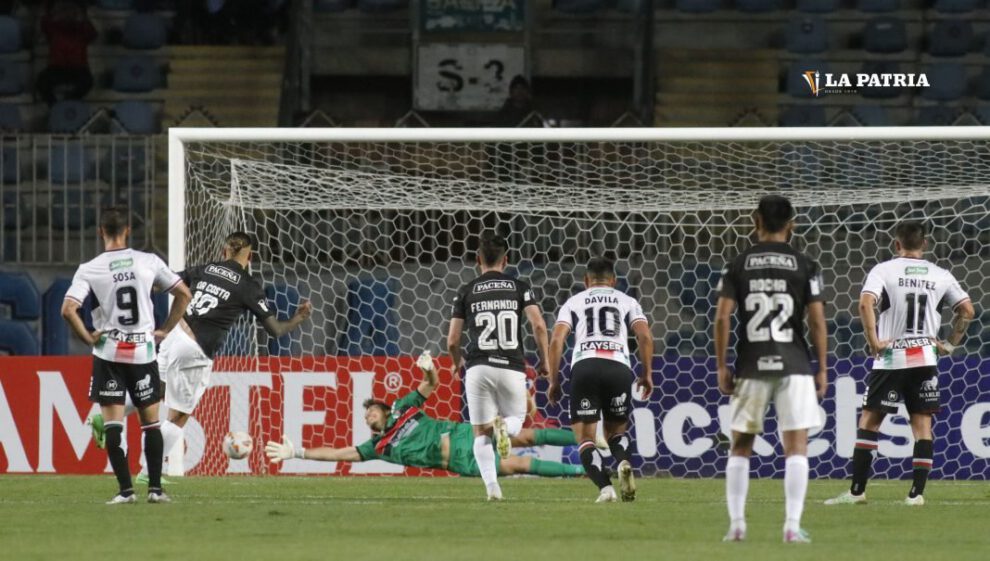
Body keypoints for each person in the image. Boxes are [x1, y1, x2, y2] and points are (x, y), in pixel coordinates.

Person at [89, 232, 312, 481]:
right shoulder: (249, 285)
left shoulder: (206, 269)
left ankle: (106, 415)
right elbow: (275, 330)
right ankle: (148, 471)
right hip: (194, 349)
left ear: (224, 252)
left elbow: (164, 283)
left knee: (155, 392)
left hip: (174, 335)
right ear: (250, 256)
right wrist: (298, 318)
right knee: (179, 415)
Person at [825, 221, 973, 507]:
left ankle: (857, 492)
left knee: (870, 421)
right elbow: (967, 310)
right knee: (922, 425)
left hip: (892, 357)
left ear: (896, 244)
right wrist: (950, 344)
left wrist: (873, 341)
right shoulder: (940, 274)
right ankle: (916, 495)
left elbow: (865, 303)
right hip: (925, 357)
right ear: (925, 245)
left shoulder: (884, 270)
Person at [264, 353, 585, 479]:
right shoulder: (379, 447)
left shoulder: (404, 407)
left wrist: (429, 370)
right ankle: (580, 470)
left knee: (527, 436)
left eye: (373, 409)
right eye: (366, 417)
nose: (369, 416)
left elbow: (431, 384)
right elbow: (338, 453)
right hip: (460, 461)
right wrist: (298, 452)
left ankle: (587, 439)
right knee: (519, 464)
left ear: (386, 409)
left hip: (462, 433)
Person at [715, 194, 828, 544]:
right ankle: (792, 526)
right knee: (796, 447)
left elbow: (722, 316)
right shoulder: (806, 264)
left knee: (740, 446)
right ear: (792, 224)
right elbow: (817, 321)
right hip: (794, 364)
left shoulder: (738, 263)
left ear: (756, 221)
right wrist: (822, 367)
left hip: (751, 364)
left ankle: (737, 525)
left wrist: (721, 365)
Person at [61, 206, 192, 504]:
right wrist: (166, 329)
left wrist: (88, 337)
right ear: (128, 231)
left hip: (108, 356)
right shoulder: (148, 261)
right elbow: (184, 293)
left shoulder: (90, 268)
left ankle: (125, 492)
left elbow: (68, 309)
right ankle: (156, 490)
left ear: (100, 232)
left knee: (113, 426)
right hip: (143, 353)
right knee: (151, 423)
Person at [447, 232, 549, 501]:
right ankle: (506, 427)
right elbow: (538, 324)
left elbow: (452, 340)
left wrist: (457, 361)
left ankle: (493, 488)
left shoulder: (466, 291)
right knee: (517, 418)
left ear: (477, 259)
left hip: (478, 367)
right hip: (511, 366)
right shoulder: (519, 286)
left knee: (480, 432)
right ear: (507, 259)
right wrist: (546, 361)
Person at [546, 256, 654, 503]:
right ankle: (624, 462)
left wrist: (554, 380)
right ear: (613, 280)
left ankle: (606, 489)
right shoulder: (627, 301)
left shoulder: (574, 301)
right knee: (616, 433)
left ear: (586, 280)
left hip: (585, 366)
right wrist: (646, 374)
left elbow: (556, 340)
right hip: (619, 367)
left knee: (585, 439)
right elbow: (645, 337)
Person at [36, 1, 97, 106]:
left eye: (71, 10)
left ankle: (68, 102)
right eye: (65, 10)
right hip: (57, 68)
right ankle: (55, 107)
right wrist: (55, 13)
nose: (68, 13)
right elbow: (44, 23)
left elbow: (93, 34)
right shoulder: (54, 27)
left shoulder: (82, 28)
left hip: (79, 68)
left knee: (88, 82)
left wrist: (82, 18)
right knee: (42, 82)